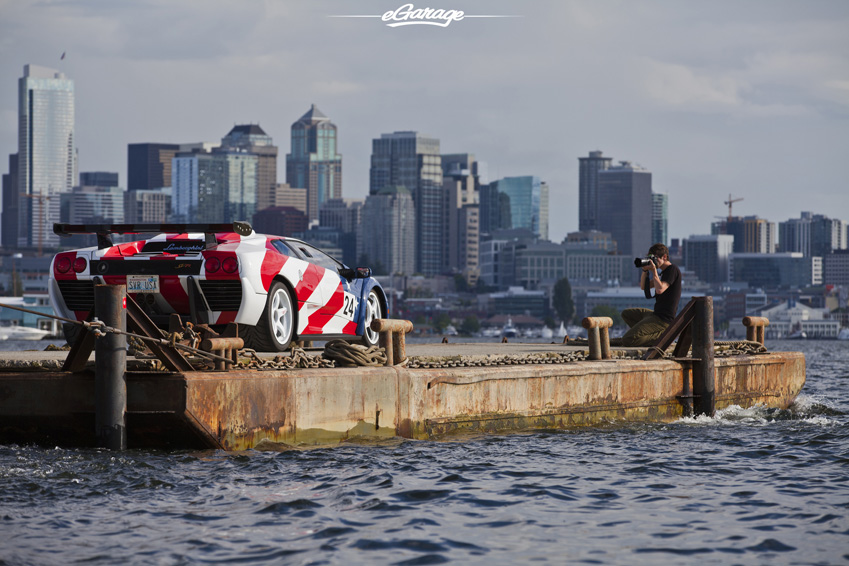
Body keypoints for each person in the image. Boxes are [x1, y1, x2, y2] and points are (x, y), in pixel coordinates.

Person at [620, 243, 682, 347]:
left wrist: (654, 271)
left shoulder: (672, 269)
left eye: (655, 258)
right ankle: (644, 335)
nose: (653, 260)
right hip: (655, 314)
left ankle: (660, 337)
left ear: (664, 257)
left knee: (627, 340)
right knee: (626, 314)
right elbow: (644, 287)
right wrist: (645, 270)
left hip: (664, 320)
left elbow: (660, 289)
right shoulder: (663, 273)